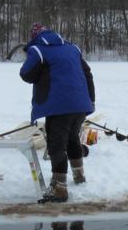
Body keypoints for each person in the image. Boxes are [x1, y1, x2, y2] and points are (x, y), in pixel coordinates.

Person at [19, 23, 95, 203]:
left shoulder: (38, 50)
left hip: (59, 106)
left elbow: (26, 74)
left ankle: (59, 188)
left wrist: (31, 56)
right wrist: (90, 99)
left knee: (56, 145)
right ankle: (79, 176)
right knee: (72, 139)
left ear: (34, 36)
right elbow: (88, 73)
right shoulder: (72, 48)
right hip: (80, 104)